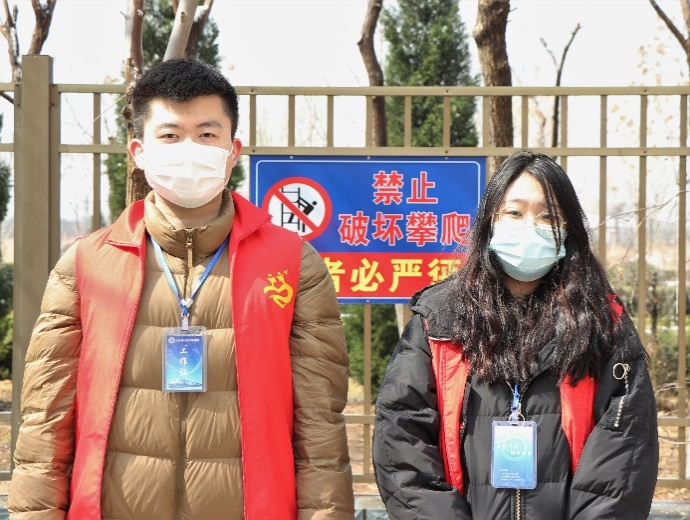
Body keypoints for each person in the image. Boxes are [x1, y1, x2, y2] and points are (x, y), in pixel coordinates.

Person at [9, 58, 355, 519]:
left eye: (207, 134)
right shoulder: (87, 263)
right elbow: (45, 418)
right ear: (139, 152)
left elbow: (320, 422)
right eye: (170, 136)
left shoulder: (292, 262)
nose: (189, 149)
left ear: (233, 150)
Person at [372, 150, 658, 519]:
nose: (530, 227)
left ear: (568, 228)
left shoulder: (604, 323)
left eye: (548, 216)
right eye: (514, 212)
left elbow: (625, 449)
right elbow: (402, 438)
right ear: (490, 220)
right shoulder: (438, 321)